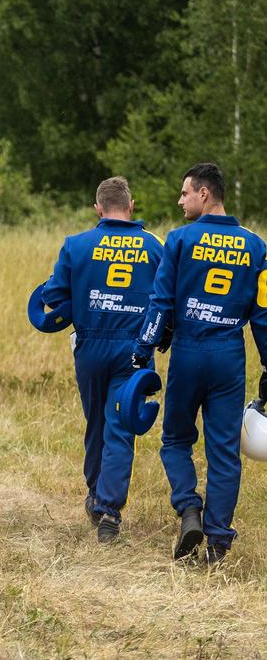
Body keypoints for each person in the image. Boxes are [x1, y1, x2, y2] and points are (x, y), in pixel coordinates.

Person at [132, 163, 267, 565]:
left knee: (175, 439)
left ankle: (189, 509)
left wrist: (143, 349)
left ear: (204, 194)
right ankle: (218, 544)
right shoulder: (256, 246)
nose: (180, 200)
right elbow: (262, 314)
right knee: (224, 452)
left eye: (185, 193)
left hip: (189, 352)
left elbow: (160, 303)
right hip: (229, 355)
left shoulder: (179, 239)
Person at [40, 177, 163, 543]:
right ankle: (110, 510)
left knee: (96, 423)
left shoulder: (76, 245)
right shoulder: (155, 247)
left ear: (98, 208)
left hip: (90, 347)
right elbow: (165, 300)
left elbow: (53, 295)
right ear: (131, 205)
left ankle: (95, 497)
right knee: (120, 426)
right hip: (135, 351)